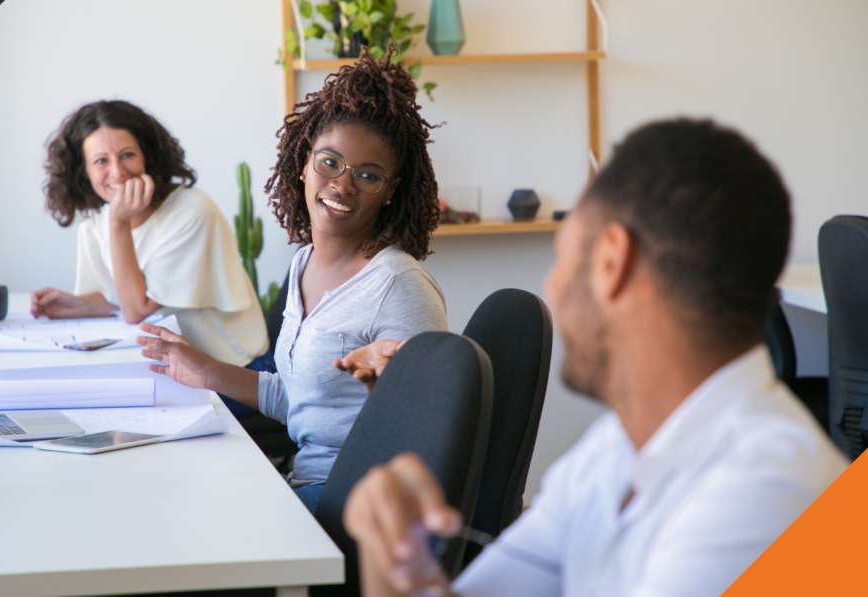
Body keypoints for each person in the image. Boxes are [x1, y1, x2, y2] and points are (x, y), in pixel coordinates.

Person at [339, 119, 849, 596]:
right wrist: (395, 555)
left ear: (611, 262)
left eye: (562, 255)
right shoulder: (616, 449)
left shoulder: (765, 493)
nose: (554, 288)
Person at [136, 47, 448, 514]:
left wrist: (382, 389)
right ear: (304, 161)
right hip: (307, 481)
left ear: (390, 193)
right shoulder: (303, 262)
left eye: (368, 175)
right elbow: (303, 401)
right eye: (330, 162)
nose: (343, 185)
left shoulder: (398, 286)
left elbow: (432, 436)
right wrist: (206, 371)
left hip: (360, 505)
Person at [30, 100, 268, 371]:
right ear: (83, 171)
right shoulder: (94, 222)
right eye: (100, 161)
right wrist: (76, 305)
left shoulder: (191, 211)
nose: (118, 171)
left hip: (233, 369)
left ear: (147, 156)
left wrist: (119, 222)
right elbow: (119, 295)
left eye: (127, 155)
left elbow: (137, 309)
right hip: (174, 366)